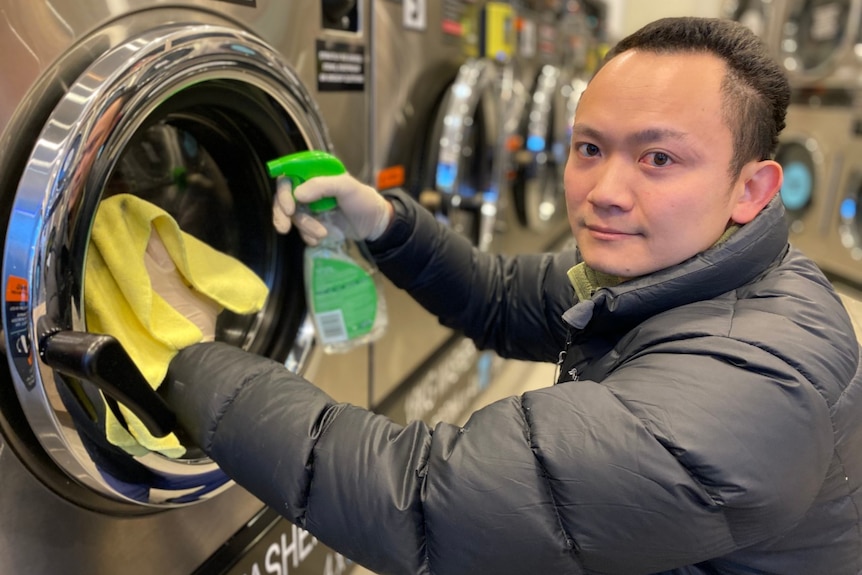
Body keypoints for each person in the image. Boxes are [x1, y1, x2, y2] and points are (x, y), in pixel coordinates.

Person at [162, 17, 862, 574]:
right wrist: (383, 222)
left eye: (658, 158)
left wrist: (174, 344)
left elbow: (419, 502)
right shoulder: (691, 276)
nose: (605, 192)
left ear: (752, 188)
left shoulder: (742, 390)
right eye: (590, 148)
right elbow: (500, 298)